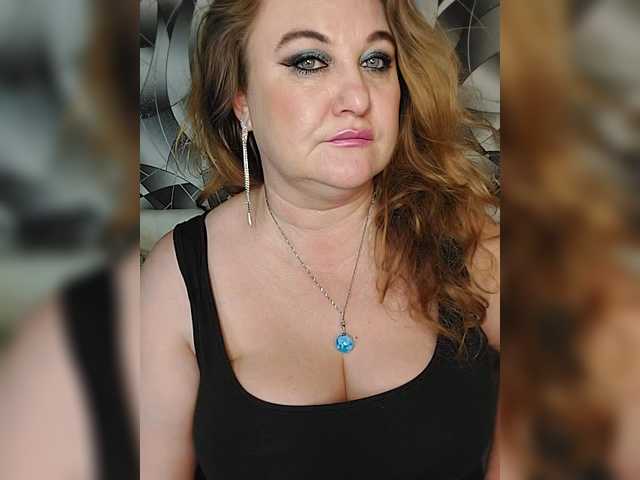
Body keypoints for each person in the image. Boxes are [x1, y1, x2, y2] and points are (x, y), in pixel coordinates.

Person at [141, 1, 500, 479]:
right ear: (241, 99)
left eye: (375, 61)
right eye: (309, 61)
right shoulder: (175, 281)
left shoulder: (470, 241)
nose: (357, 97)